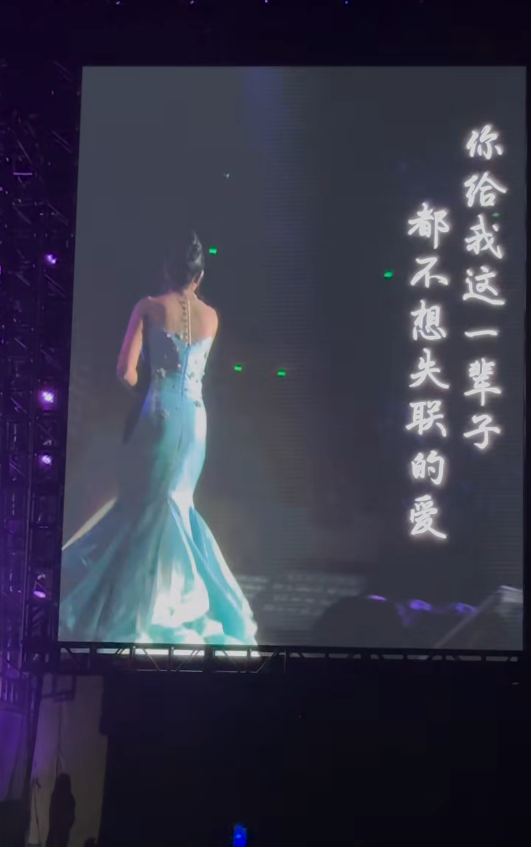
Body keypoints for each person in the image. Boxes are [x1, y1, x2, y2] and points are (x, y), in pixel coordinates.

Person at [59, 231, 257, 645]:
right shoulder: (212, 317)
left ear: (167, 269)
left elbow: (124, 372)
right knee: (176, 505)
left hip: (159, 414)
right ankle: (177, 602)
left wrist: (148, 392)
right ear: (199, 276)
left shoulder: (149, 307)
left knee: (146, 506)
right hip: (195, 421)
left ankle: (140, 610)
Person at [45, 774, 75, 847]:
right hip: (62, 833)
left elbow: (52, 815)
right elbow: (71, 818)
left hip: (55, 832)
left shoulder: (55, 795)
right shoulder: (70, 798)